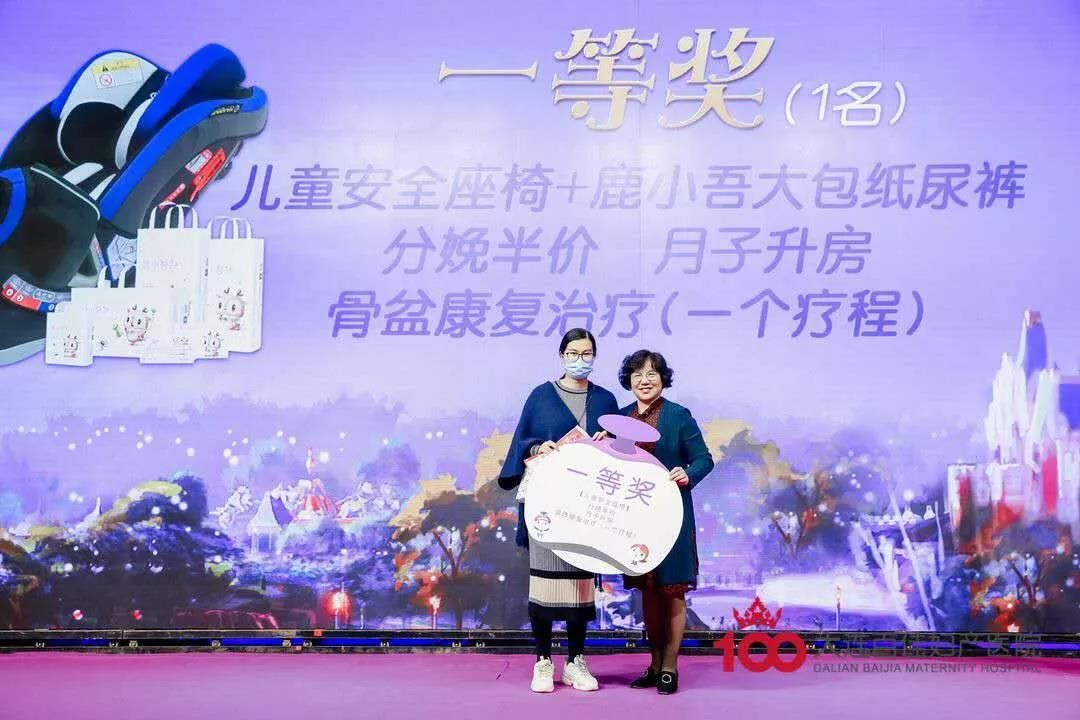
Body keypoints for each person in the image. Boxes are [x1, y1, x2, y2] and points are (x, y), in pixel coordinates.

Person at [498, 328, 619, 693]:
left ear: (594, 356)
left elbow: (621, 456)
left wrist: (610, 443)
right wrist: (538, 447)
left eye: (587, 353)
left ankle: (576, 661)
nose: (580, 359)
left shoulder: (606, 400)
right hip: (546, 505)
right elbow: (522, 441)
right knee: (544, 585)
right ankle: (542, 660)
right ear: (562, 355)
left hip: (587, 508)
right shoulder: (541, 396)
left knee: (581, 588)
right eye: (573, 352)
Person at [618, 349, 713, 695]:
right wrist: (600, 444)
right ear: (629, 380)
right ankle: (655, 663)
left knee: (672, 591)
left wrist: (687, 473)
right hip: (635, 517)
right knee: (648, 591)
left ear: (663, 379)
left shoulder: (678, 415)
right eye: (637, 374)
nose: (644, 380)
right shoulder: (619, 419)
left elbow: (704, 459)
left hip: (672, 515)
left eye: (651, 374)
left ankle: (670, 666)